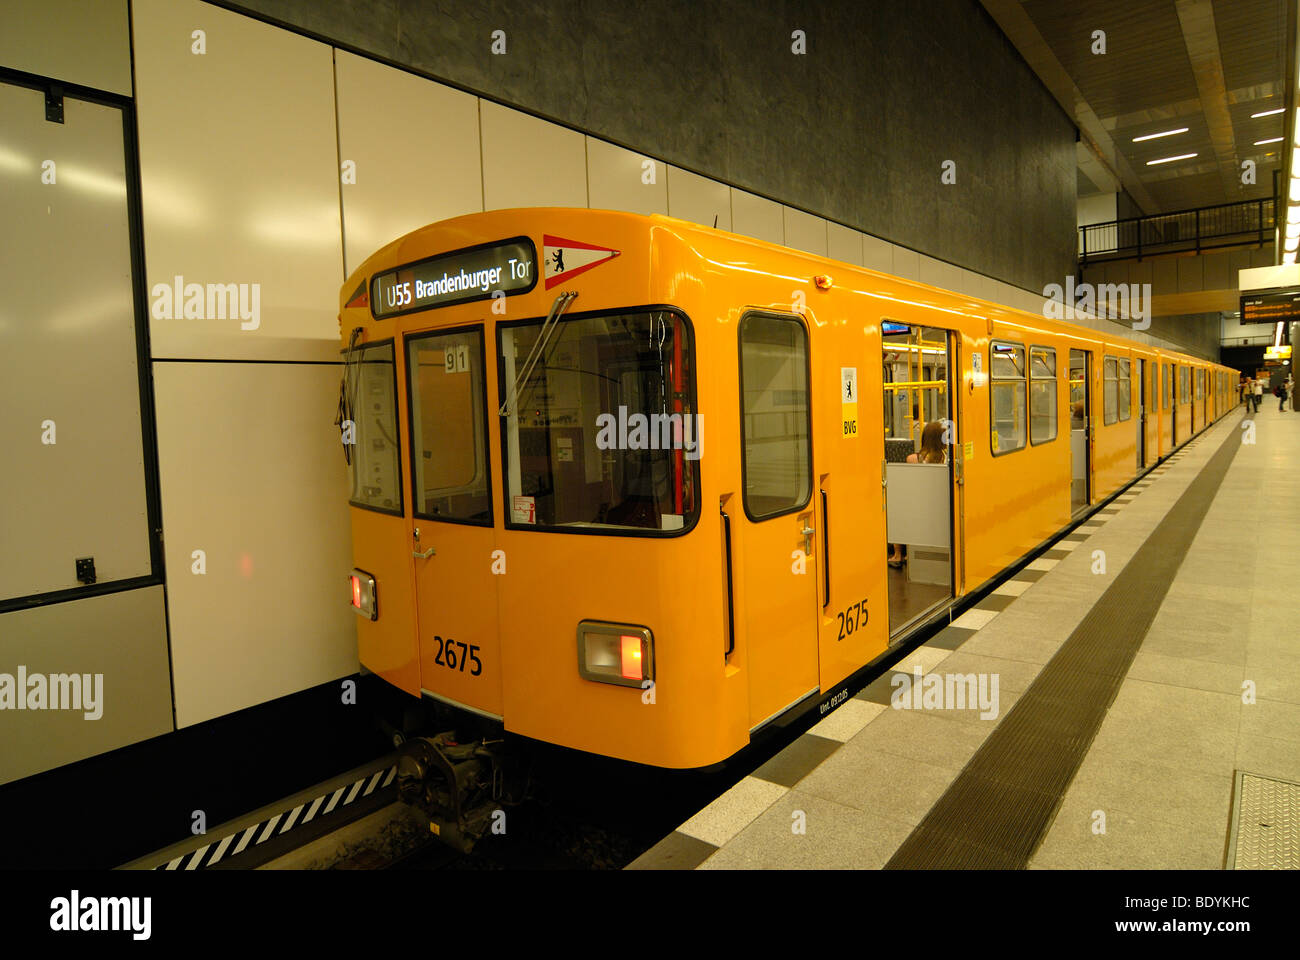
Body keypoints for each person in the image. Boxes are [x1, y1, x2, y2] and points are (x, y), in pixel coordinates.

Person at [888, 421, 948, 568]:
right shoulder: (948, 458)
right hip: (940, 506)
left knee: (899, 507)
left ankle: (898, 555)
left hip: (919, 506)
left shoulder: (913, 459)